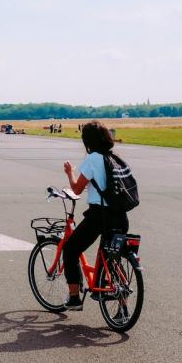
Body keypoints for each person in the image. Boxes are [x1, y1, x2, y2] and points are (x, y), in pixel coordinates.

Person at [60, 121, 130, 311]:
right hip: (121, 216)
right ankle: (123, 307)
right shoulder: (115, 158)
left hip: (100, 217)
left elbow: (76, 189)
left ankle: (74, 298)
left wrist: (70, 173)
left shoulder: (93, 159)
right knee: (112, 258)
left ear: (87, 141)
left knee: (71, 249)